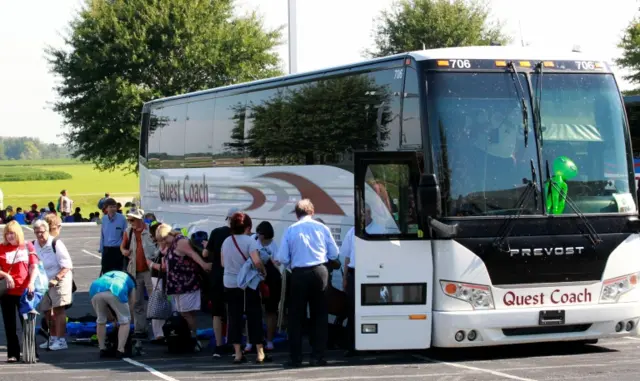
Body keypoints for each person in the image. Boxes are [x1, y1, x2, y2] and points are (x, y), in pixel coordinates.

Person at [276, 199, 339, 367]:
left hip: (299, 274)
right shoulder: (322, 228)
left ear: (297, 214)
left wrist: (292, 265)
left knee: (296, 317)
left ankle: (296, 358)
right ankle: (317, 356)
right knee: (320, 315)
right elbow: (334, 253)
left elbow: (282, 257)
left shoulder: (291, 230)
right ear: (312, 212)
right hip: (320, 272)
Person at [221, 212, 269, 364]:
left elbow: (222, 263)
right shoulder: (250, 241)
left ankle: (237, 353)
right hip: (248, 285)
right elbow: (256, 261)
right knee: (254, 316)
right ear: (248, 227)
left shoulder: (226, 241)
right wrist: (263, 270)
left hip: (230, 283)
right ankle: (260, 352)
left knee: (234, 317)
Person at [155, 223, 212, 351]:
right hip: (177, 284)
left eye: (164, 239)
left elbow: (192, 254)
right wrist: (162, 243)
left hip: (186, 283)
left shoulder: (180, 241)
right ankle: (187, 337)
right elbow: (163, 251)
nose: (163, 242)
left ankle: (193, 338)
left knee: (187, 313)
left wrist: (203, 265)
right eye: (160, 240)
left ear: (170, 234)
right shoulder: (171, 244)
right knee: (183, 313)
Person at [0, 221, 40, 363]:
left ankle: (32, 352)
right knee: (9, 325)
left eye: (12, 233)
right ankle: (13, 354)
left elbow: (34, 267)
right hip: (7, 293)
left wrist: (31, 283)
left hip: (24, 292)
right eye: (7, 234)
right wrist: (6, 275)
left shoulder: (27, 246)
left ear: (18, 233)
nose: (9, 236)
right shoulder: (1, 248)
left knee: (27, 325)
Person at [32, 219, 74, 351]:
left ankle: (61, 340)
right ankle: (53, 338)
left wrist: (56, 279)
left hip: (59, 279)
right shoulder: (34, 245)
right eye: (37, 232)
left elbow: (67, 265)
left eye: (42, 232)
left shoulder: (56, 243)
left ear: (47, 231)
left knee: (58, 309)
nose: (40, 235)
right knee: (46, 310)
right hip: (43, 281)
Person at [202, 206, 237, 358]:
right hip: (234, 276)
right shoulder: (240, 235)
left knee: (216, 313)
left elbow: (205, 253)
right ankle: (233, 342)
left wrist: (205, 247)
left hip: (217, 276)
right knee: (232, 311)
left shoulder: (216, 232)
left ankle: (218, 345)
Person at [121, 209, 156, 339]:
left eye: (132, 220)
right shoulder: (128, 232)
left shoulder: (151, 230)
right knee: (137, 301)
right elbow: (122, 246)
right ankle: (140, 329)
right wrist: (124, 251)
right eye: (129, 220)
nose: (130, 223)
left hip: (150, 270)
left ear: (140, 219)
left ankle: (158, 330)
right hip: (134, 271)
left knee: (155, 299)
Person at [89, 271, 136, 359]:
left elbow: (107, 310)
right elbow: (132, 302)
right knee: (125, 321)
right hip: (116, 289)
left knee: (101, 319)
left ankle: (102, 349)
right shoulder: (130, 281)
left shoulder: (111, 274)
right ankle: (120, 350)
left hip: (95, 289)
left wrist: (113, 318)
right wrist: (127, 317)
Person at [255, 221, 282, 351]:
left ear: (263, 235)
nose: (257, 235)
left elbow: (278, 264)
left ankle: (269, 339)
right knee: (258, 311)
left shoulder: (274, 246)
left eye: (259, 233)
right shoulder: (255, 241)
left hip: (270, 281)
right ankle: (258, 339)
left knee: (270, 310)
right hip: (259, 280)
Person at [99, 198, 127, 274]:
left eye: (114, 207)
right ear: (106, 208)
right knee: (106, 272)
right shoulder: (104, 219)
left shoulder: (122, 219)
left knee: (118, 272)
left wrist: (124, 248)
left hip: (118, 250)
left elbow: (125, 235)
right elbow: (102, 234)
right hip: (106, 250)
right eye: (110, 207)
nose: (113, 209)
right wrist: (101, 248)